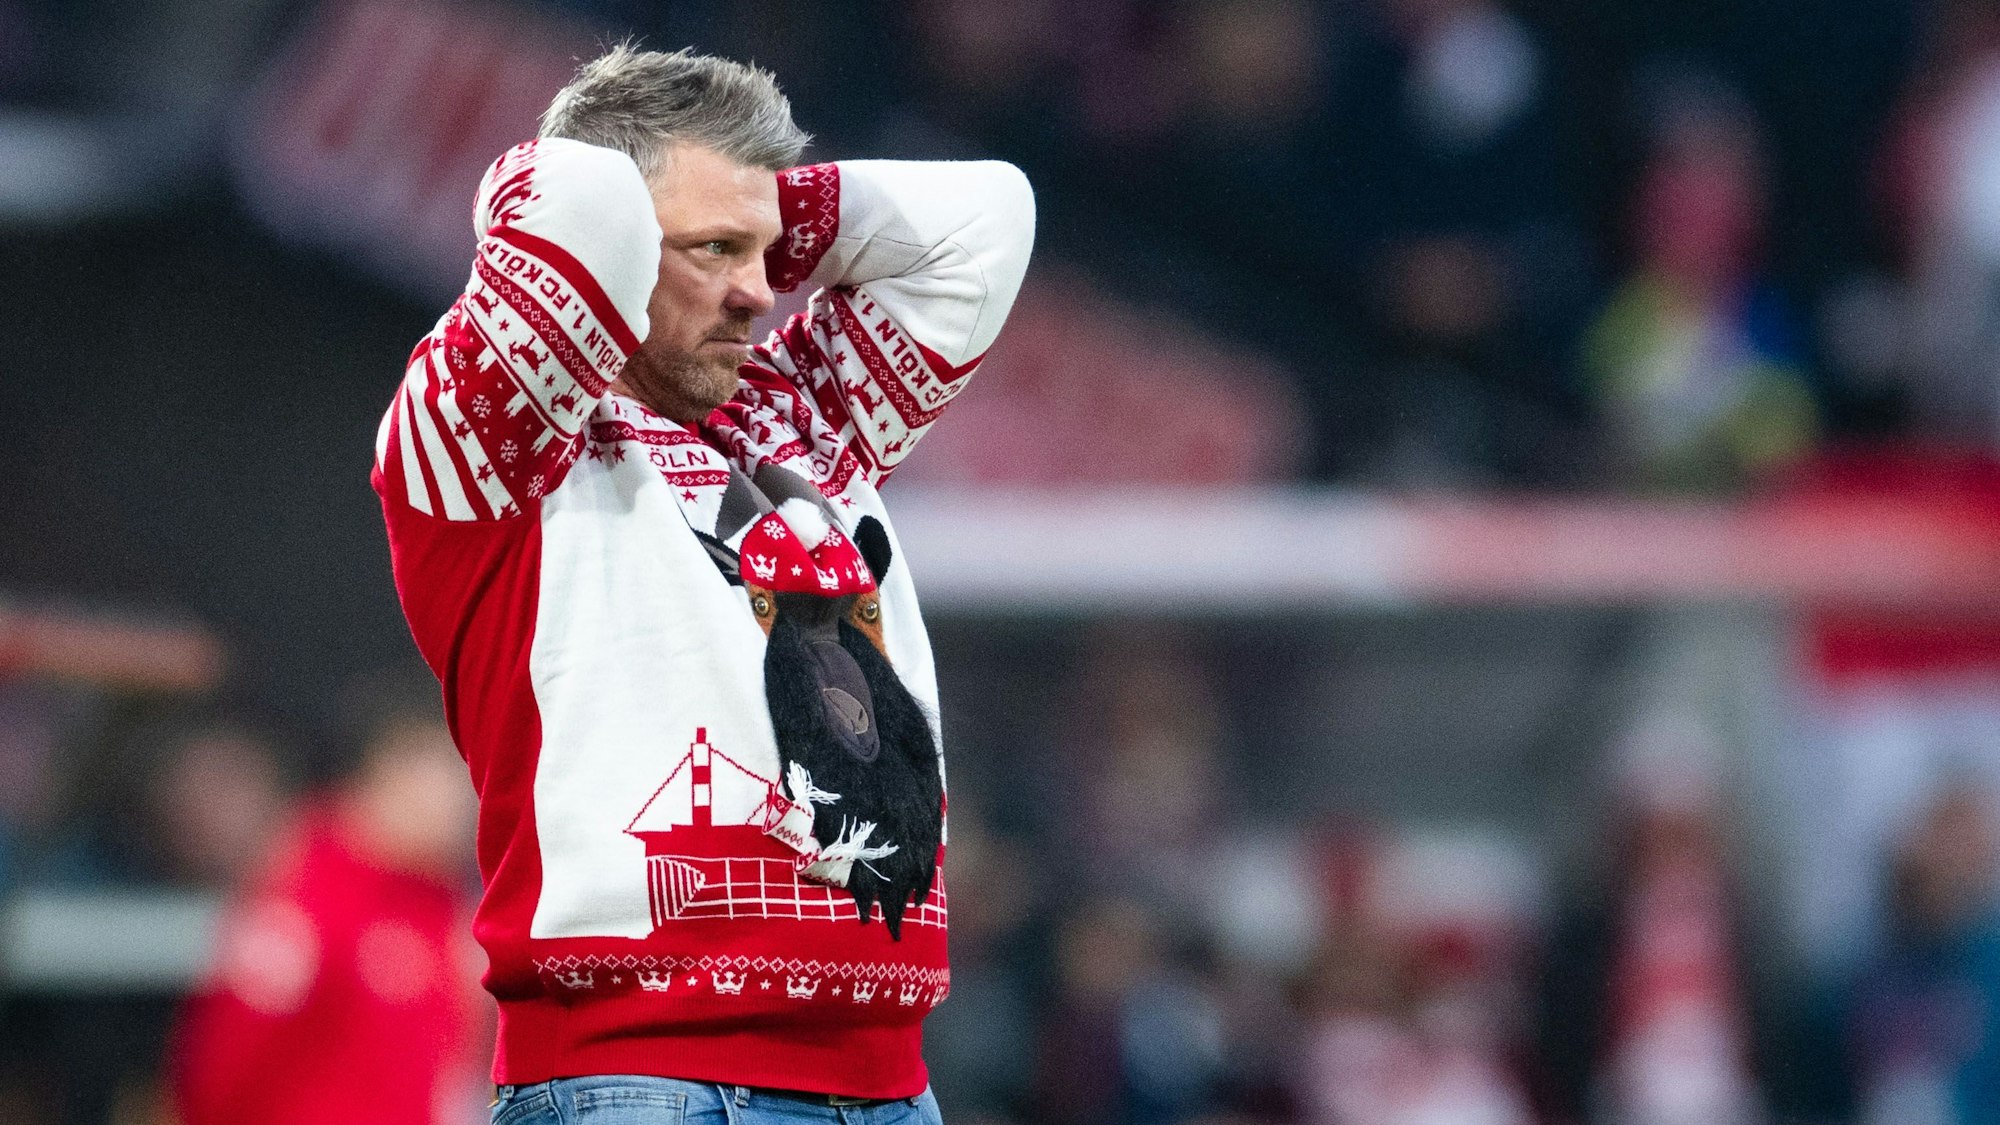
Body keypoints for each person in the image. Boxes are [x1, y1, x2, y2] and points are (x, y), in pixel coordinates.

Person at [372, 45, 1034, 1122]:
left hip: (888, 1083)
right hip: (643, 1080)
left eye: (768, 256)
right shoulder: (495, 445)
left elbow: (988, 216)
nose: (755, 293)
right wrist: (630, 211)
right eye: (712, 251)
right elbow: (576, 194)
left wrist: (756, 208)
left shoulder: (803, 414)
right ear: (611, 257)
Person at [167, 690, 482, 1125]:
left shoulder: (437, 901)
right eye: (458, 773)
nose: (472, 800)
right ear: (398, 769)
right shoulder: (304, 893)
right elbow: (219, 1076)